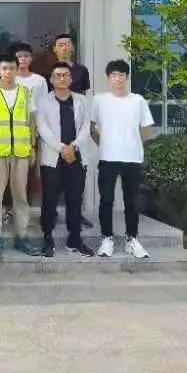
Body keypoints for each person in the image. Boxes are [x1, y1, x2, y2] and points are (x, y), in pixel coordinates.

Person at [91, 59, 154, 259]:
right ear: (108, 78)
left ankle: (131, 239)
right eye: (113, 75)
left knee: (132, 201)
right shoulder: (99, 100)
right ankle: (107, 239)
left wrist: (134, 143)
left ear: (126, 77)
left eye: (121, 75)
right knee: (106, 200)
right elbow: (92, 127)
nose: (117, 78)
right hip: (108, 157)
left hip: (132, 158)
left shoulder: (138, 100)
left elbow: (146, 127)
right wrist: (104, 143)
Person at [0, 54, 40, 257]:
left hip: (21, 152)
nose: (8, 72)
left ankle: (22, 237)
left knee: (21, 196)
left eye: (11, 68)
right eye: (4, 68)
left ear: (17, 70)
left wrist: (33, 147)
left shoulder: (25, 92)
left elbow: (31, 123)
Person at [36, 62, 94, 258]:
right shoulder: (43, 102)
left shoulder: (82, 101)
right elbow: (43, 129)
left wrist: (74, 147)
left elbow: (86, 127)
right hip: (53, 158)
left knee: (75, 200)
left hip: (77, 157)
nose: (62, 78)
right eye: (58, 75)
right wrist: (62, 148)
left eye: (65, 75)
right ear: (51, 79)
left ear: (71, 79)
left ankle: (75, 239)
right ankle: (47, 238)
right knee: (49, 200)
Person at [13, 42, 48, 110]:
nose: (23, 59)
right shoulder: (9, 79)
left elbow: (45, 104)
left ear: (31, 58)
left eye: (26, 56)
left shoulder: (40, 80)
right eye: (19, 56)